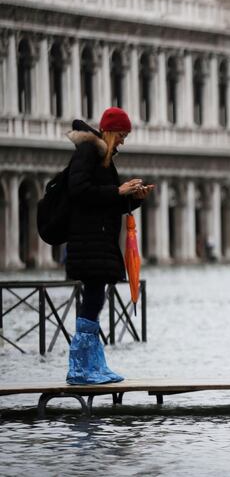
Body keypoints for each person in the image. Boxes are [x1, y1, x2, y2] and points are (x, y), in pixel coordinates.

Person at [65, 107, 154, 385]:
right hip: (88, 241)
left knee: (96, 299)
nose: (124, 141)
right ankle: (80, 368)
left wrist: (134, 198)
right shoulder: (88, 152)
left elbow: (106, 202)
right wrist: (118, 190)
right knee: (92, 300)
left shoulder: (104, 157)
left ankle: (93, 364)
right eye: (123, 135)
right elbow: (78, 191)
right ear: (111, 131)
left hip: (99, 241)